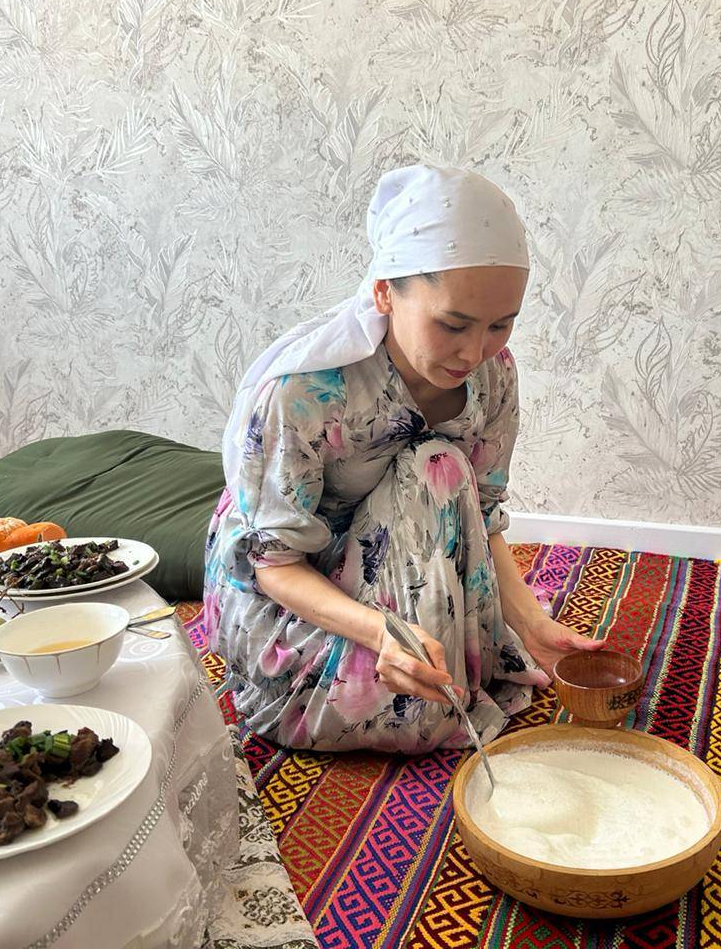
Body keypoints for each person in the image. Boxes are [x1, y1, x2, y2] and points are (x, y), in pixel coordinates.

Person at [203, 164, 603, 753]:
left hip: (404, 558)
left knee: (437, 465)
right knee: (413, 708)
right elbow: (274, 564)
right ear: (384, 292)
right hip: (297, 592)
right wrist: (381, 632)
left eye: (501, 325)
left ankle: (428, 647)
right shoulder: (305, 394)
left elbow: (481, 512)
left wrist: (530, 621)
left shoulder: (493, 374)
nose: (474, 351)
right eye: (453, 325)